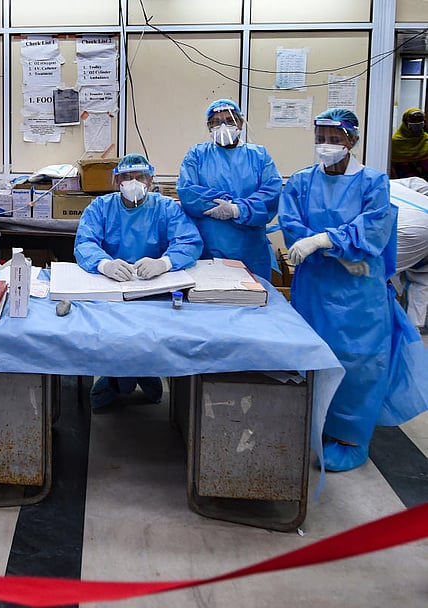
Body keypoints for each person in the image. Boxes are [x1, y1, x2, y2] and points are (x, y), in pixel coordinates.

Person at [279, 108, 428, 472]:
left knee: (356, 361)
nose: (326, 145)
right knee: (313, 357)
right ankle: (313, 426)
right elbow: (292, 223)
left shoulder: (373, 182)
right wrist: (315, 243)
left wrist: (327, 239)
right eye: (321, 138)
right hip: (314, 287)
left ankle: (350, 437)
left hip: (358, 292)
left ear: (352, 141)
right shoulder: (301, 181)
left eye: (335, 139)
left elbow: (374, 227)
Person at [74, 154, 203, 409]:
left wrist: (164, 263)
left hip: (155, 290)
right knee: (112, 338)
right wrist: (104, 264)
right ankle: (116, 378)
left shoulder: (166, 208)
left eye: (140, 177)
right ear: (116, 181)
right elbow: (85, 242)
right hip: (111, 289)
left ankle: (145, 371)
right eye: (127, 177)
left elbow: (188, 242)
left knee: (150, 338)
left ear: (151, 181)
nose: (133, 182)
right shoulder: (101, 207)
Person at [177, 99, 282, 280]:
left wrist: (236, 209)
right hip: (209, 246)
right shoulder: (197, 155)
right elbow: (188, 191)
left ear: (240, 123)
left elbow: (271, 193)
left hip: (250, 250)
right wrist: (227, 203)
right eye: (216, 122)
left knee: (252, 299)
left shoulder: (259, 156)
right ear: (209, 127)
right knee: (211, 299)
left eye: (229, 120)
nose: (223, 126)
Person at [389, 177, 428, 330]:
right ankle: (412, 334)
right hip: (412, 226)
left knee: (372, 275)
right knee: (421, 279)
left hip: (409, 228)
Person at [390, 108, 428, 180]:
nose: (417, 123)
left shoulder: (426, 139)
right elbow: (392, 166)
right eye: (414, 120)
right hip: (402, 182)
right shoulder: (396, 141)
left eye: (420, 120)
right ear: (405, 122)